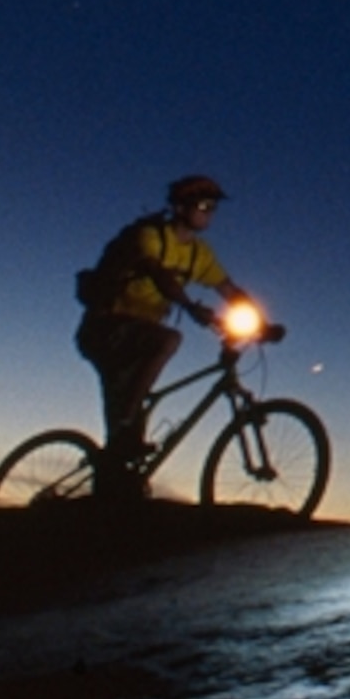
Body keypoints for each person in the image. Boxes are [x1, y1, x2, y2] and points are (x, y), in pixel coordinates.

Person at [75, 174, 255, 497]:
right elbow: (159, 275)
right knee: (167, 340)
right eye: (202, 205)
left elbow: (227, 288)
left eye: (213, 207)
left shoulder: (199, 254)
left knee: (126, 426)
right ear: (179, 207)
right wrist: (189, 305)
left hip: (138, 335)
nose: (209, 212)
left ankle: (113, 482)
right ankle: (126, 431)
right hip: (106, 328)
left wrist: (262, 322)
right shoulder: (149, 236)